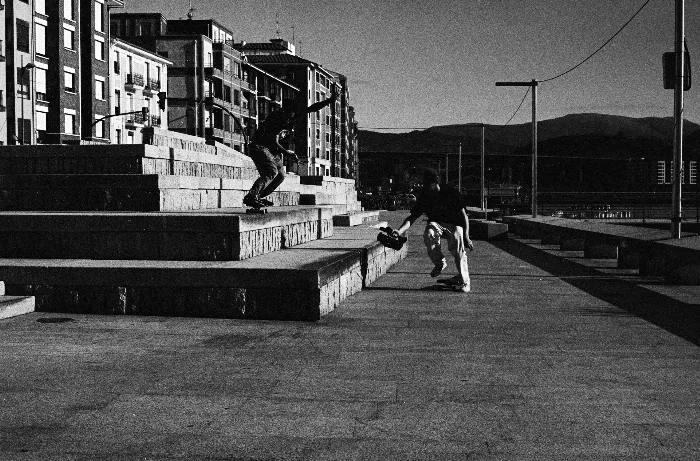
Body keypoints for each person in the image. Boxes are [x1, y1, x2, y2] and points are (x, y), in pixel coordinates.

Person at [243, 90, 337, 208]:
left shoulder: (294, 114)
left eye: (292, 115)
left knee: (281, 176)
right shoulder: (276, 118)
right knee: (271, 172)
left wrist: (329, 101)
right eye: (289, 115)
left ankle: (259, 196)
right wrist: (288, 153)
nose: (290, 118)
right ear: (285, 112)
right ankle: (251, 196)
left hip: (272, 151)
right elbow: (274, 141)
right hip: (259, 147)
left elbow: (313, 108)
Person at [395, 169, 474, 293]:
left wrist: (467, 236)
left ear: (435, 183)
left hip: (454, 223)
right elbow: (412, 218)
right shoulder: (425, 196)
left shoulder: (450, 192)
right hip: (437, 223)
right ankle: (440, 263)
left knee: (458, 247)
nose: (428, 189)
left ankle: (464, 281)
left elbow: (464, 215)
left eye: (429, 186)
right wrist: (399, 231)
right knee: (429, 233)